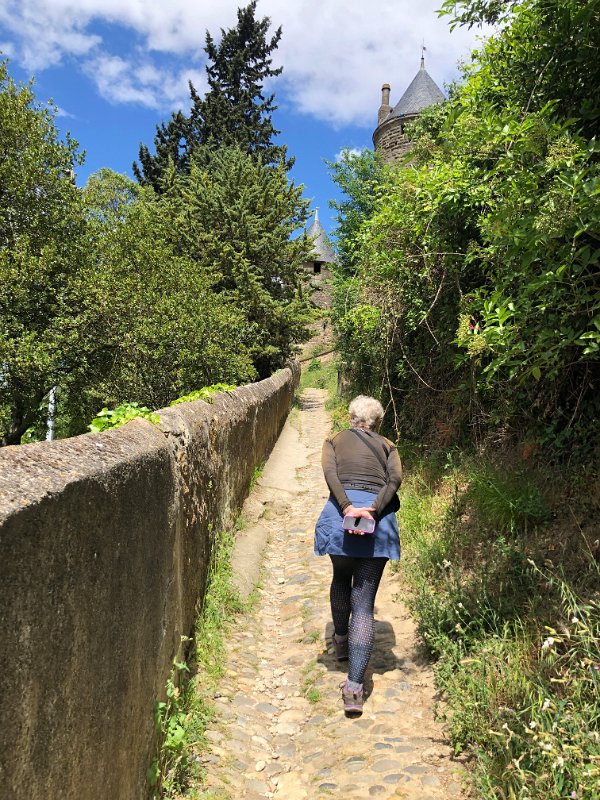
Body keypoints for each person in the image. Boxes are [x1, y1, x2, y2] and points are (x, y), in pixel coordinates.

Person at [314, 395, 402, 715]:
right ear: (377, 422)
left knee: (340, 576)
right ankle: (354, 689)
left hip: (340, 519)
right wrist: (373, 510)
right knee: (364, 603)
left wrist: (348, 507)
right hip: (377, 525)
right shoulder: (389, 446)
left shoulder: (333, 440)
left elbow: (330, 475)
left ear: (351, 418)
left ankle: (340, 642)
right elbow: (395, 479)